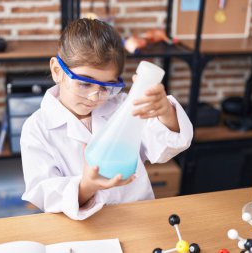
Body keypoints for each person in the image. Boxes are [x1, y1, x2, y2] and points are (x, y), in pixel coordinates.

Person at [20, 18, 193, 220]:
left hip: (137, 216)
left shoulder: (122, 105)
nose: (95, 96)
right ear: (57, 71)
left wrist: (164, 111)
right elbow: (45, 193)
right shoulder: (37, 128)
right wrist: (87, 186)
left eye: (106, 87)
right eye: (85, 84)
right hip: (82, 226)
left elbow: (163, 149)